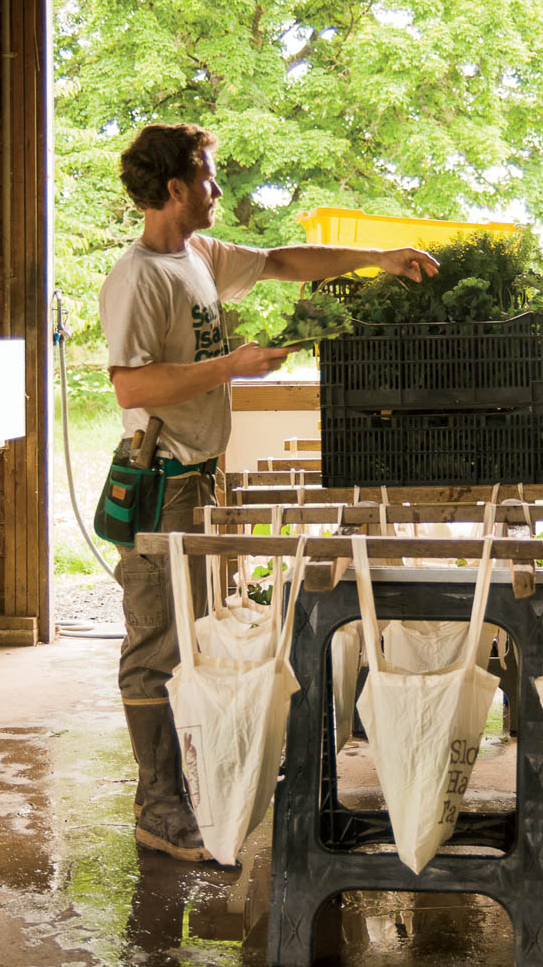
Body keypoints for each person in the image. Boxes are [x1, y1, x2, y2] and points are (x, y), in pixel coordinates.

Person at [99, 121, 438, 861]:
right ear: (174, 189)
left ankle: (188, 787)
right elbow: (132, 383)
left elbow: (285, 260)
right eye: (209, 177)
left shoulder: (198, 255)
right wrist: (233, 367)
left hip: (200, 477)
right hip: (161, 482)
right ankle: (158, 806)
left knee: (192, 636)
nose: (218, 189)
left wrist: (377, 259)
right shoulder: (138, 278)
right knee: (155, 643)